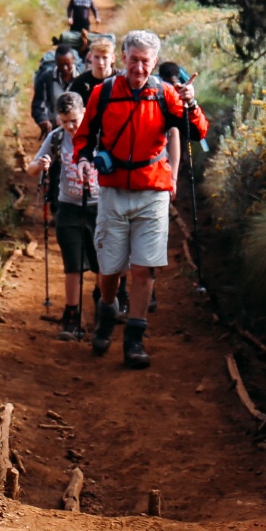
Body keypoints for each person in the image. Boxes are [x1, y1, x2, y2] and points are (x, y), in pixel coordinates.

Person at [74, 29, 209, 367]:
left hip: (153, 190)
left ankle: (134, 339)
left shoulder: (166, 95)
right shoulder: (103, 93)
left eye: (145, 62)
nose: (138, 68)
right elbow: (83, 137)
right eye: (133, 60)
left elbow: (198, 131)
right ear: (123, 58)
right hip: (113, 189)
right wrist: (83, 162)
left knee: (144, 268)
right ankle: (107, 312)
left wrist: (191, 102)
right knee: (110, 270)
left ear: (154, 62)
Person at [28, 90, 101, 340]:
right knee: (72, 263)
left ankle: (103, 307)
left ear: (84, 114)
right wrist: (41, 165)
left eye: (74, 120)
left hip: (100, 206)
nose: (70, 126)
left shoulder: (98, 134)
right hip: (68, 206)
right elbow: (31, 167)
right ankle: (72, 315)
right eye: (64, 121)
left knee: (102, 262)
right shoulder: (56, 138)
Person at [30, 46, 80, 135]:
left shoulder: (82, 78)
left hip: (78, 129)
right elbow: (38, 105)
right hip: (54, 129)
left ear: (73, 60)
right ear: (56, 62)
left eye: (67, 64)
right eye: (61, 65)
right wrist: (43, 120)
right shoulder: (46, 78)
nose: (64, 68)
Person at [70, 38, 114, 110]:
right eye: (96, 57)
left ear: (113, 58)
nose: (100, 62)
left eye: (105, 58)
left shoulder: (122, 80)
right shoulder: (79, 83)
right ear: (90, 57)